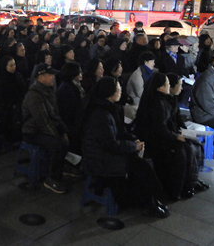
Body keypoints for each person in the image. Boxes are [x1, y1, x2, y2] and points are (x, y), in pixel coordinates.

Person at [80, 76, 169, 218]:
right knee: (142, 166)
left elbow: (120, 133)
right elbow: (111, 144)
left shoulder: (110, 109)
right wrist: (134, 146)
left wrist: (134, 140)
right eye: (118, 90)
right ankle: (148, 202)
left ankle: (151, 200)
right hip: (99, 158)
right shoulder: (100, 114)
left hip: (107, 152)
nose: (121, 92)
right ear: (110, 93)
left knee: (143, 163)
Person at [21, 63, 69, 193]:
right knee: (58, 145)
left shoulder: (49, 90)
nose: (53, 78)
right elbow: (42, 120)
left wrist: (63, 130)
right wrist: (56, 134)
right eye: (50, 75)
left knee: (66, 138)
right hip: (32, 131)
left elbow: (54, 115)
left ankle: (59, 169)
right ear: (41, 76)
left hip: (44, 127)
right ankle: (51, 178)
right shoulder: (34, 94)